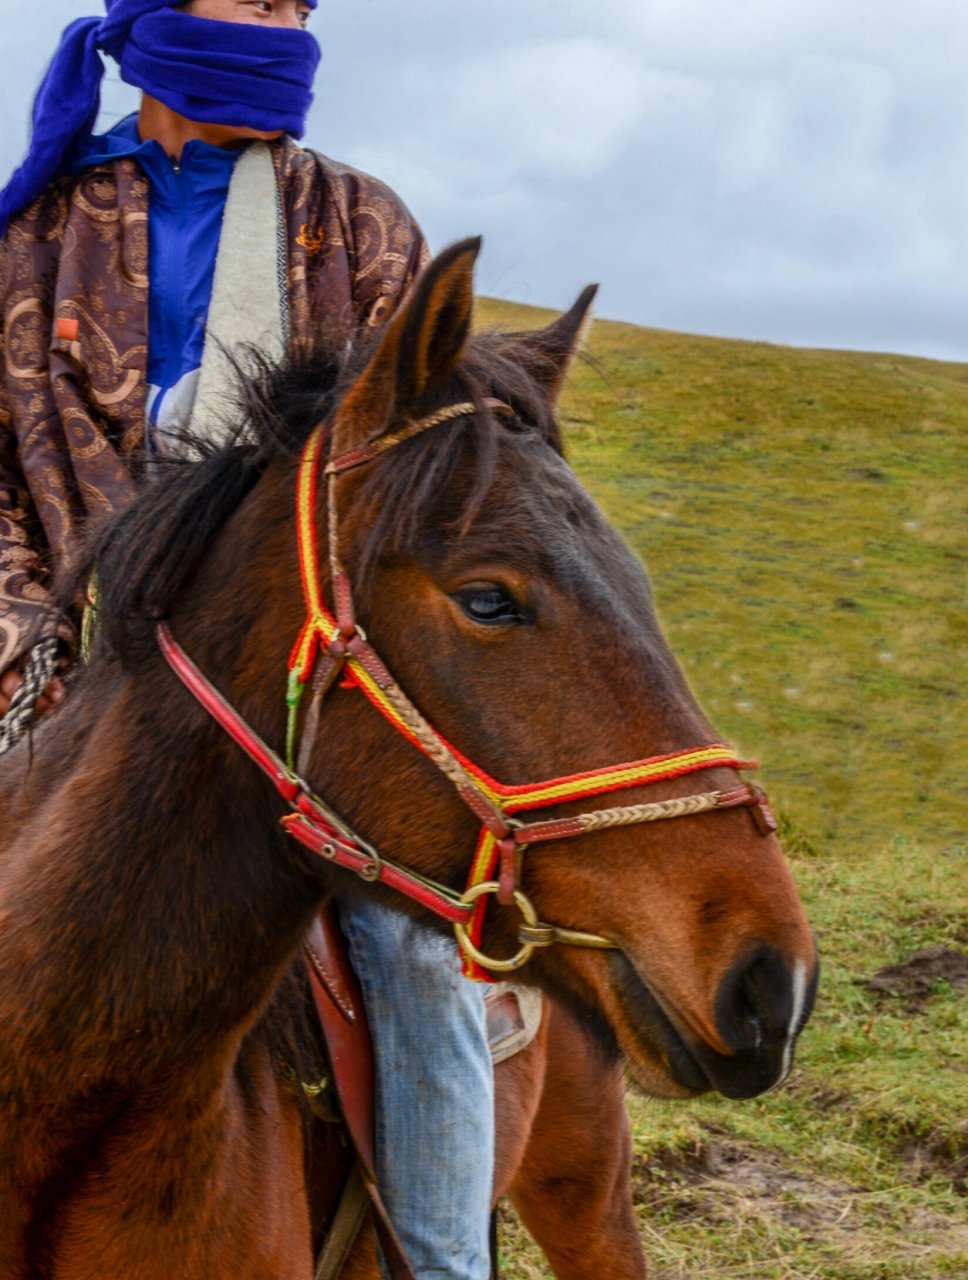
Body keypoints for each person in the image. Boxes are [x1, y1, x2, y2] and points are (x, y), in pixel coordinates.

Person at [0, 3, 494, 1277]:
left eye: (296, 6)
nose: (281, 22)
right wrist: (28, 640)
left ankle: (440, 1261)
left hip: (288, 670)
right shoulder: (38, 228)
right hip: (50, 655)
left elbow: (419, 477)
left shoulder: (365, 225)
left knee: (410, 943)